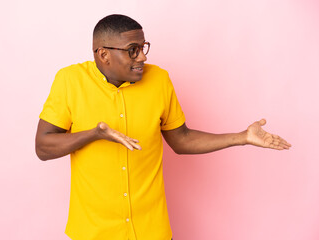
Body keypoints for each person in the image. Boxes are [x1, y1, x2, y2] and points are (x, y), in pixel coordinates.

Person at [35, 14, 291, 240]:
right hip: (93, 232)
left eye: (144, 47)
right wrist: (94, 134)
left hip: (151, 230)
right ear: (103, 54)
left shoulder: (159, 80)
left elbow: (182, 140)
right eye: (133, 50)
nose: (143, 56)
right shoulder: (69, 81)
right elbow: (43, 146)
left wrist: (242, 137)